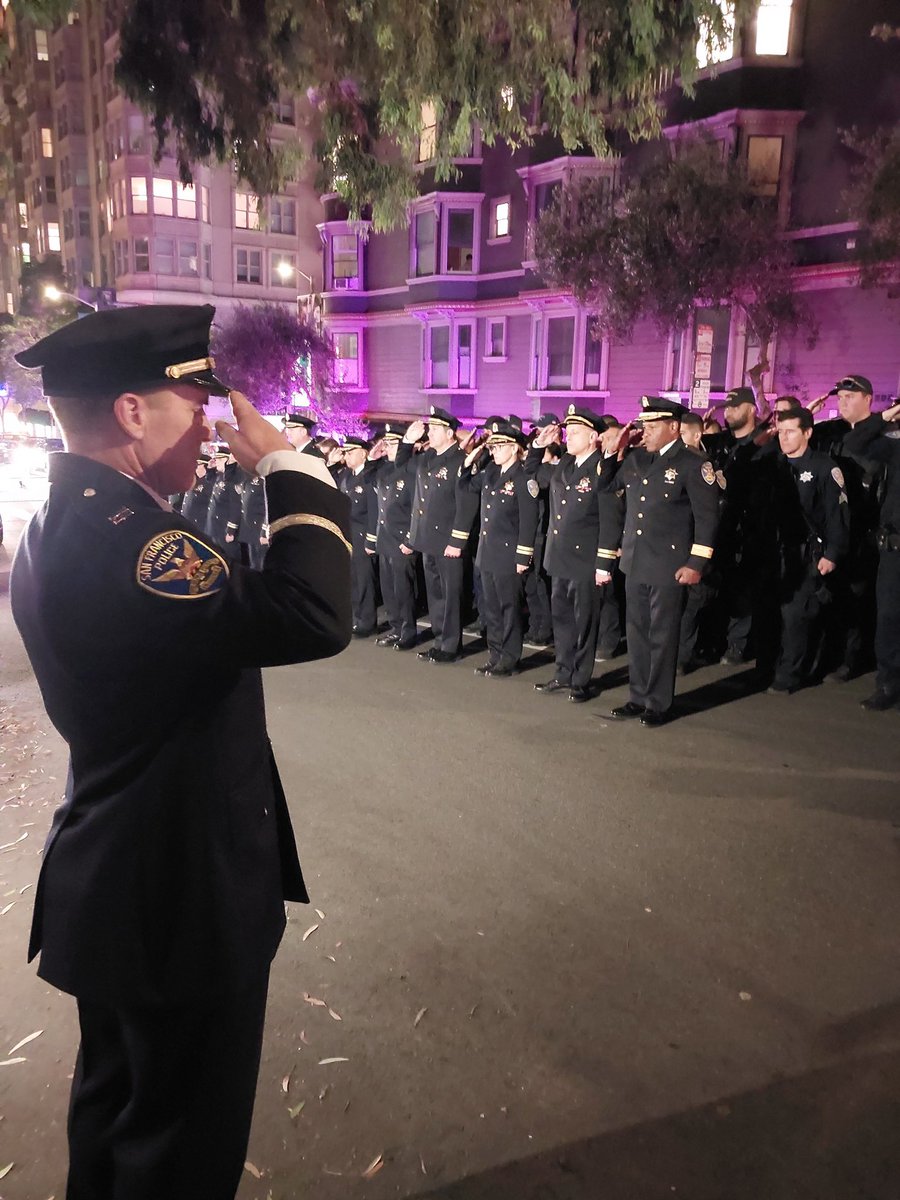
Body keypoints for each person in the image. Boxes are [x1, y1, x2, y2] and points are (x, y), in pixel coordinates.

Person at [9, 304, 352, 1200]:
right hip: (178, 899)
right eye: (193, 397)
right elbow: (311, 616)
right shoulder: (135, 540)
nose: (210, 419)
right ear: (131, 413)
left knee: (120, 1121)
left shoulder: (67, 523)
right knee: (180, 1156)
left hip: (124, 884)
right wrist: (290, 466)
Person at [600, 396, 721, 726]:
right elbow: (605, 485)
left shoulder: (693, 464)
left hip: (669, 564)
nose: (646, 432)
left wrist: (696, 563)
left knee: (662, 636)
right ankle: (637, 696)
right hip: (636, 562)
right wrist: (615, 450)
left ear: (673, 427)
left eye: (652, 427)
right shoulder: (637, 459)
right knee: (637, 633)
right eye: (643, 426)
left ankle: (658, 702)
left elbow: (707, 518)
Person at [526, 404, 619, 703]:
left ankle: (581, 679)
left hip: (585, 560)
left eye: (576, 433)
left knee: (584, 623)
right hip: (559, 556)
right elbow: (532, 474)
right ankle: (562, 672)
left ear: (593, 437)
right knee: (563, 620)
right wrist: (539, 444)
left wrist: (604, 562)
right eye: (568, 432)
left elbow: (609, 517)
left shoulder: (602, 468)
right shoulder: (566, 464)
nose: (568, 437)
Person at [764, 407, 850, 694]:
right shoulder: (773, 464)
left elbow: (837, 514)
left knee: (796, 616)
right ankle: (769, 667)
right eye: (781, 432)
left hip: (806, 553)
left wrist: (832, 554)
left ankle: (789, 675)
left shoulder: (824, 467)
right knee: (773, 613)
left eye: (790, 432)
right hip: (775, 551)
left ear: (807, 433)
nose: (784, 438)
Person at [396, 406, 479, 663]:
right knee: (436, 594)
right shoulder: (427, 457)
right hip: (427, 539)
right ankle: (441, 639)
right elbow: (402, 465)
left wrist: (457, 540)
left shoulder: (458, 460)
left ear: (449, 433)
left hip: (447, 541)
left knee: (451, 593)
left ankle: (451, 645)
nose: (429, 434)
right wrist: (407, 441)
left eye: (434, 429)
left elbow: (466, 503)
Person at [460, 419, 538, 676]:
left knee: (509, 608)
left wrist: (523, 556)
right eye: (492, 447)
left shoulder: (523, 478)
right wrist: (471, 459)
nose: (494, 451)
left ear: (515, 448)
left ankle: (510, 658)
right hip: (488, 552)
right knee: (491, 608)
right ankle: (495, 654)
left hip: (508, 554)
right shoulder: (491, 474)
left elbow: (529, 520)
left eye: (500, 446)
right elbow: (465, 486)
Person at [840, 396, 900, 710]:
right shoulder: (895, 443)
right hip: (894, 548)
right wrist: (886, 414)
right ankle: (889, 685)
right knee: (889, 618)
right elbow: (855, 441)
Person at [371, 422, 419, 650]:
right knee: (389, 589)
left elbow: (417, 508)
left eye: (392, 444)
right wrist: (372, 457)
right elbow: (366, 478)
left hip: (402, 540)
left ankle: (408, 631)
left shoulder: (410, 470)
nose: (387, 448)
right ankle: (396, 627)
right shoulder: (384, 470)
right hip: (386, 539)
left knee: (403, 589)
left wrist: (411, 538)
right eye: (386, 443)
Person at [338, 434, 379, 637]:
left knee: (364, 580)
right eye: (345, 453)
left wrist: (372, 537)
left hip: (363, 533)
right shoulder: (346, 476)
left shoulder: (369, 476)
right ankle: (355, 617)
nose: (347, 456)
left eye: (351, 452)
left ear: (363, 454)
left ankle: (367, 621)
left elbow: (373, 510)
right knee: (351, 579)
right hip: (348, 533)